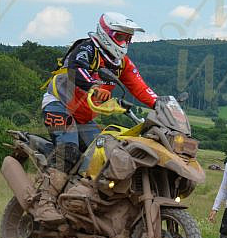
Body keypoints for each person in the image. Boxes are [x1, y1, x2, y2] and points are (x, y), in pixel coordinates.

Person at [35, 12, 158, 225]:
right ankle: (44, 203)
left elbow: (141, 88)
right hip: (60, 105)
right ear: (105, 33)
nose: (124, 42)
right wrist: (94, 85)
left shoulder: (121, 63)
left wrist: (162, 104)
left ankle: (82, 200)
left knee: (106, 155)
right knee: (69, 148)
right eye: (120, 37)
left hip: (84, 117)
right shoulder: (87, 49)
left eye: (128, 38)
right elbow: (76, 69)